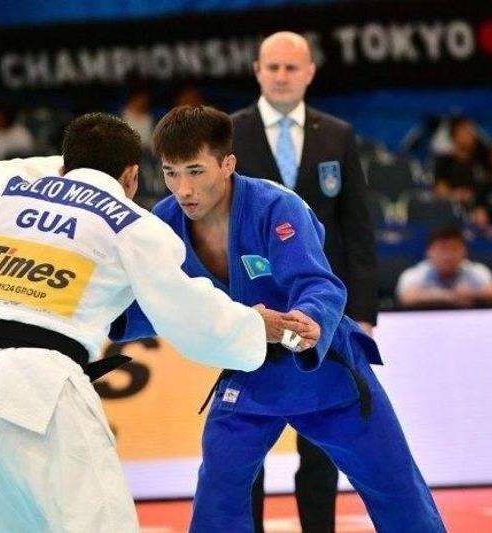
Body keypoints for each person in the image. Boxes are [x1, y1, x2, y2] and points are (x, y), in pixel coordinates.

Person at [0, 112, 301, 532]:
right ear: (131, 176)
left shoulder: (2, 189)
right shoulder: (134, 226)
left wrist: (70, 170)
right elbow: (188, 314)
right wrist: (255, 325)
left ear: (65, 164)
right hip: (46, 390)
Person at [112, 106, 445, 533]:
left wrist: (308, 320)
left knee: (395, 487)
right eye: (171, 173)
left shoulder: (276, 207)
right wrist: (105, 322)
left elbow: (317, 282)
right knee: (219, 491)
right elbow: (160, 302)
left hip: (323, 369)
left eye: (195, 171)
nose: (183, 188)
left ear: (227, 163)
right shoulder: (165, 222)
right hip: (249, 370)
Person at [230, 31, 378, 531]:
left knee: (321, 443)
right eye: (272, 67)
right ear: (257, 71)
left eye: (291, 67)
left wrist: (364, 313)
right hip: (251, 309)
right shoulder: (230, 133)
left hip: (322, 310)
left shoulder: (337, 135)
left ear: (310, 72)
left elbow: (357, 230)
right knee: (246, 441)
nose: (281, 76)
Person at [396, 226, 492, 308]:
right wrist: (450, 296)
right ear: (429, 252)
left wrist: (469, 294)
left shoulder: (476, 270)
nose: (448, 255)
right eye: (442, 249)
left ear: (464, 252)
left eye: (454, 249)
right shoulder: (416, 273)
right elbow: (406, 297)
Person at [432, 117, 488, 208]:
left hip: (478, 206)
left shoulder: (483, 161)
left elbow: (488, 187)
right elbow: (440, 189)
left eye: (471, 131)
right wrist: (455, 195)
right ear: (454, 136)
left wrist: (473, 196)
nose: (469, 134)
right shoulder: (444, 162)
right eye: (463, 131)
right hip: (451, 207)